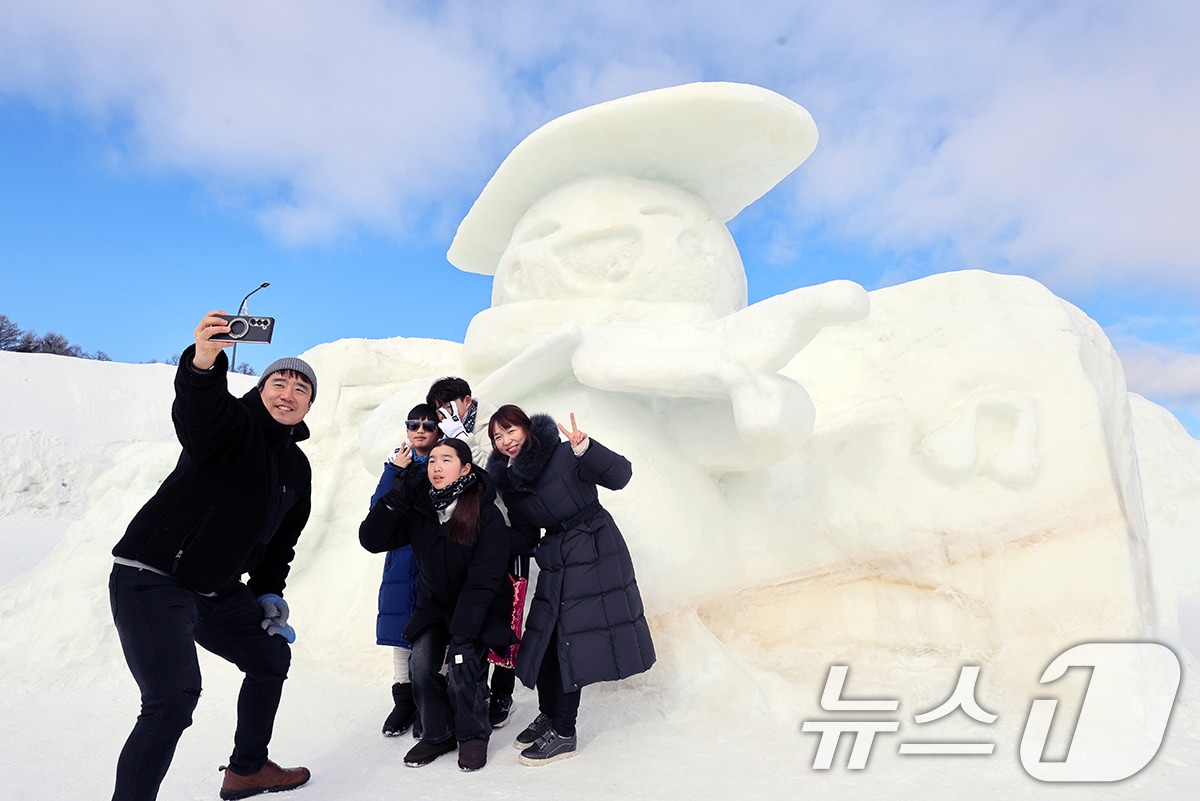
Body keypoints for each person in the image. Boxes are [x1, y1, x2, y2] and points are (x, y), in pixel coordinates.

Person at [109, 311, 317, 801]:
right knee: (172, 702)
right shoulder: (233, 424)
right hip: (153, 577)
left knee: (270, 657)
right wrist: (204, 361)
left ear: (309, 405)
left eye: (301, 389)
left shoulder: (296, 466)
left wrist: (269, 593)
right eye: (279, 382)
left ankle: (247, 770)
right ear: (261, 388)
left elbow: (280, 543)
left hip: (214, 589)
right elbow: (198, 412)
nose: (288, 393)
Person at [486, 405, 655, 766]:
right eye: (498, 438)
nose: (506, 441)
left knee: (568, 639)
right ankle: (550, 713)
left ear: (526, 428)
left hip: (595, 548)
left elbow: (621, 475)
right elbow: (527, 534)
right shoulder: (513, 483)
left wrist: (586, 448)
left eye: (510, 430)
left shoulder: (565, 452)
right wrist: (487, 537)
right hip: (557, 553)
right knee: (546, 637)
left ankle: (564, 731)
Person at [358, 438, 514, 772]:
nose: (437, 467)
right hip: (434, 605)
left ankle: (472, 735)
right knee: (421, 666)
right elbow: (372, 540)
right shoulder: (422, 508)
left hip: (479, 608)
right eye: (431, 462)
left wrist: (462, 635)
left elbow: (483, 582)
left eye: (446, 460)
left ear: (465, 468)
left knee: (462, 668)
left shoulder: (486, 514)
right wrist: (397, 496)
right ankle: (438, 733)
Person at [424, 377, 522, 728]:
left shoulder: (491, 425)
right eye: (440, 411)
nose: (444, 414)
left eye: (450, 407)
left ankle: (503, 691)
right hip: (465, 532)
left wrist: (462, 437)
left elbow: (493, 470)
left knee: (505, 611)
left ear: (467, 400)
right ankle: (470, 689)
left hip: (501, 528)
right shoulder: (450, 431)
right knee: (471, 607)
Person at [368, 404, 443, 736]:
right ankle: (404, 700)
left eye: (428, 424)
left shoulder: (444, 460)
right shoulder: (398, 463)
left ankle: (432, 698)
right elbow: (377, 509)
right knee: (401, 628)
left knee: (435, 629)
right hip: (401, 556)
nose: (420, 429)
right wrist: (394, 470)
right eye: (414, 423)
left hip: (435, 556)